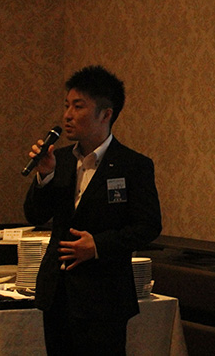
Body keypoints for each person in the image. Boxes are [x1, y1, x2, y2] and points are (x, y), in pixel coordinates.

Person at [24, 65, 162, 355]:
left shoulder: (133, 165)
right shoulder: (58, 160)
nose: (67, 115)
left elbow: (148, 226)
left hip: (105, 299)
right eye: (66, 105)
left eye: (78, 106)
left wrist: (98, 246)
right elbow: (34, 215)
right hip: (58, 294)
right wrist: (45, 176)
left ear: (105, 114)